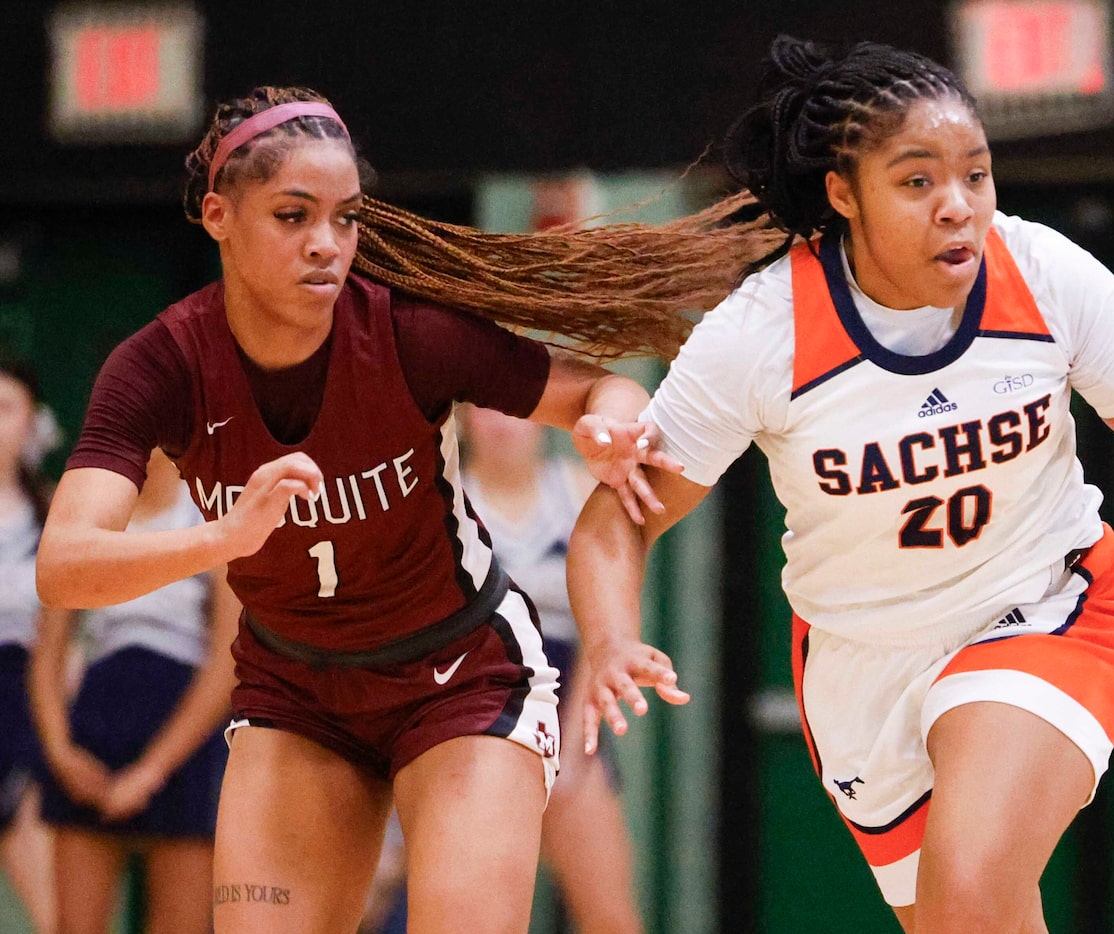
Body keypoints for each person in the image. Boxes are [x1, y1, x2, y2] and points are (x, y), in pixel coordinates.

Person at [566, 36, 1114, 934]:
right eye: (918, 182)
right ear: (843, 194)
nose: (958, 206)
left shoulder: (1044, 276)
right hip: (862, 665)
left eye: (977, 175)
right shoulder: (764, 333)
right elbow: (622, 517)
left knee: (972, 877)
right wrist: (609, 637)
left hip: (1043, 608)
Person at [33, 86, 778, 933]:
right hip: (296, 690)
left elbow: (595, 388)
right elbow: (64, 568)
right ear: (218, 216)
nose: (326, 244)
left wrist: (606, 424)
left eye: (345, 218)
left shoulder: (408, 331)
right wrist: (225, 536)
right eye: (292, 216)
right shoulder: (158, 367)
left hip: (460, 677)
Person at [28, 448, 239, 934]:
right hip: (95, 730)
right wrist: (61, 754)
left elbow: (226, 663)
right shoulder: (88, 511)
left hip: (186, 739)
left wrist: (151, 771)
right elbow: (48, 656)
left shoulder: (213, 509)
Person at [459, 404, 642, 934]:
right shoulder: (448, 502)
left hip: (569, 713)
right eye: (484, 412)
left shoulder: (579, 491)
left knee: (611, 917)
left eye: (511, 411)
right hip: (477, 721)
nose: (501, 424)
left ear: (541, 417)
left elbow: (605, 628)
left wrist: (571, 747)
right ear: (463, 421)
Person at [0, 357, 59, 934]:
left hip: (21, 716)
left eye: (5, 408)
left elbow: (61, 647)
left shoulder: (53, 516)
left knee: (53, 916)